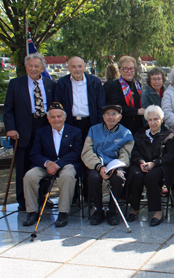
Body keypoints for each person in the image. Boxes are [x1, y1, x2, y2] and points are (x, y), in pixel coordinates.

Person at [3, 53, 56, 210]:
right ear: (26, 67)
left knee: (44, 164)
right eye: (30, 65)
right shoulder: (15, 84)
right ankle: (23, 200)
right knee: (23, 166)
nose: (33, 69)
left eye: (36, 66)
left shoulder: (50, 84)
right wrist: (11, 128)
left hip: (45, 128)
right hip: (23, 130)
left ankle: (44, 198)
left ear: (42, 67)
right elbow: (8, 109)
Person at [22, 102, 83, 227]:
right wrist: (48, 163)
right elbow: (34, 154)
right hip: (45, 165)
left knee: (67, 176)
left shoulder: (75, 131)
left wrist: (58, 164)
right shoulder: (41, 132)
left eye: (59, 116)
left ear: (64, 117)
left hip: (66, 164)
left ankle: (63, 212)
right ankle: (32, 211)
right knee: (29, 176)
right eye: (53, 117)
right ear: (48, 119)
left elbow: (77, 153)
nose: (56, 119)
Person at [81, 105, 134, 225]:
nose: (111, 117)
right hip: (96, 164)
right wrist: (99, 166)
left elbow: (125, 154)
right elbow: (87, 152)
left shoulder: (126, 133)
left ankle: (112, 211)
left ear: (119, 117)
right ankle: (98, 210)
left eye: (114, 114)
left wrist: (114, 168)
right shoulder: (93, 130)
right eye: (108, 114)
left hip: (115, 165)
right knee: (93, 178)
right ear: (103, 117)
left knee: (118, 178)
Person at [125, 105, 174, 226]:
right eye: (150, 120)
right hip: (142, 164)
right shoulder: (140, 134)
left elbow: (170, 156)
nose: (153, 122)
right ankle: (135, 207)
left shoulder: (169, 135)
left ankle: (157, 212)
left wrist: (154, 163)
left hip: (162, 166)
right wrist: (141, 163)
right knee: (136, 175)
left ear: (162, 120)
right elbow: (135, 152)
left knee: (151, 177)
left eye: (156, 119)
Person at [54, 56, 106, 141]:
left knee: (90, 151)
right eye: (73, 66)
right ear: (68, 68)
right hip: (70, 123)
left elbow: (101, 105)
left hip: (90, 123)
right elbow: (58, 105)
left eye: (80, 66)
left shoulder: (94, 82)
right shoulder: (62, 83)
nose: (77, 69)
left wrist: (99, 125)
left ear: (85, 66)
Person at [105, 55, 145, 135]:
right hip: (123, 126)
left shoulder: (137, 84)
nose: (129, 71)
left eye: (132, 68)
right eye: (125, 69)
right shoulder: (114, 86)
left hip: (139, 126)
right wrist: (136, 111)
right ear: (120, 70)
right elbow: (117, 106)